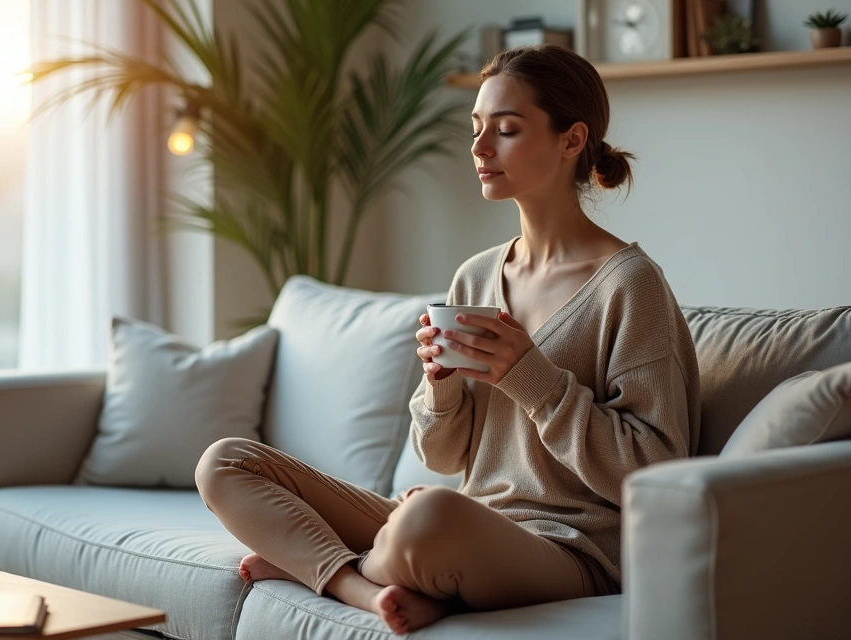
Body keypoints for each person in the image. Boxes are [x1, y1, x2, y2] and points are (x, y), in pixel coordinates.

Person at [195, 44, 700, 635]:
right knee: (224, 462)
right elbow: (443, 456)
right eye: (478, 129)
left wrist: (531, 379)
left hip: (571, 550)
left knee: (427, 515)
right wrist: (442, 389)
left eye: (506, 130)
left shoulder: (630, 286)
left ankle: (319, 564)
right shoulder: (477, 276)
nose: (481, 149)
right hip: (465, 521)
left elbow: (657, 472)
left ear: (571, 140)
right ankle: (358, 582)